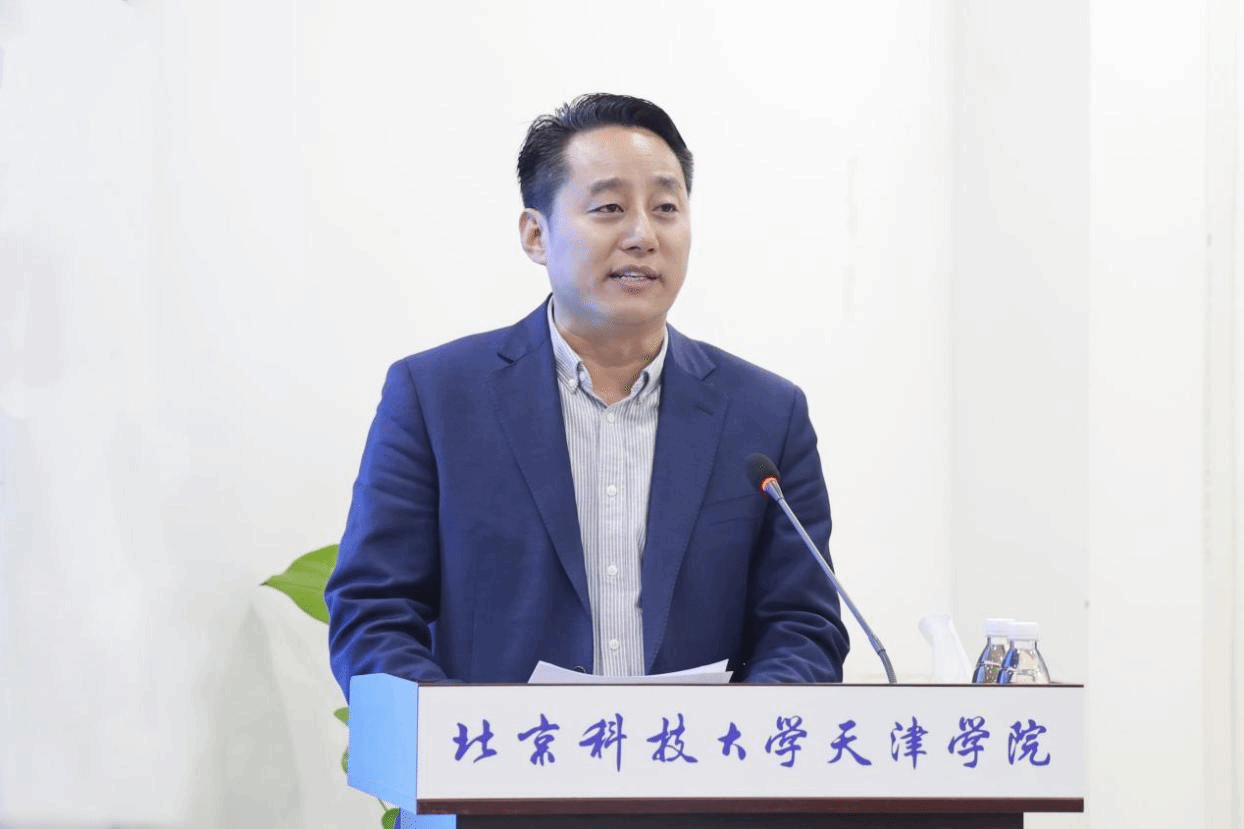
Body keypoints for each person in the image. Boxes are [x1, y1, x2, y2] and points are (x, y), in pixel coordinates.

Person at [325, 93, 849, 697]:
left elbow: (803, 624)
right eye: (609, 208)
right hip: (499, 757)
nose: (643, 236)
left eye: (666, 208)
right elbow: (374, 611)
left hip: (698, 759)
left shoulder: (766, 414)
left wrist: (743, 734)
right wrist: (454, 733)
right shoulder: (436, 398)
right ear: (535, 234)